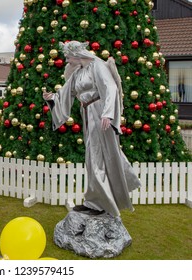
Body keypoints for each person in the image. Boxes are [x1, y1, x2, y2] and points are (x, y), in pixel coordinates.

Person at [43, 41, 140, 217]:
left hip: (99, 113)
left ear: (77, 54)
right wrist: (52, 98)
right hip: (88, 114)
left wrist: (108, 113)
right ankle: (95, 201)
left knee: (100, 157)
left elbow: (110, 88)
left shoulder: (97, 66)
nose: (67, 60)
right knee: (93, 158)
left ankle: (100, 202)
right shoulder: (78, 72)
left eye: (68, 56)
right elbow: (66, 93)